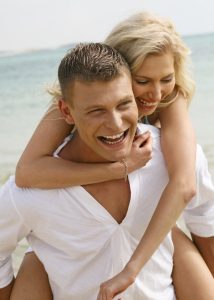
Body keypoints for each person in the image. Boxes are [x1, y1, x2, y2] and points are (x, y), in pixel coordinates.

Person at [0, 43, 214, 300]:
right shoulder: (30, 195)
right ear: (66, 112)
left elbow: (205, 218)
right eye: (96, 110)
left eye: (124, 104)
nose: (115, 124)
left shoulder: (171, 158)